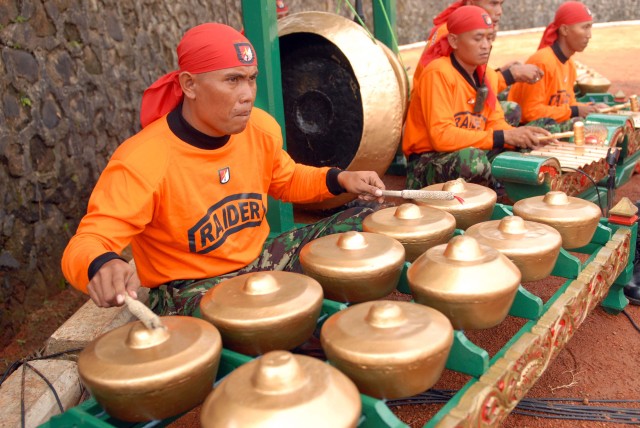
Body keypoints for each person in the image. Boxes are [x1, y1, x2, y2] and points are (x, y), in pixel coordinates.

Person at [61, 23, 386, 316]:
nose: (247, 95)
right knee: (241, 320)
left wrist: (341, 178)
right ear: (189, 85)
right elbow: (90, 239)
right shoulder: (143, 158)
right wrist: (101, 264)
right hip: (191, 288)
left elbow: (286, 179)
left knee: (365, 222)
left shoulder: (260, 128)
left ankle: (347, 323)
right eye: (232, 80)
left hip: (260, 262)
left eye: (251, 79)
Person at [402, 5, 549, 191]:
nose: (486, 45)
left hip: (470, 150)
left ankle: (503, 194)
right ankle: (492, 197)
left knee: (525, 151)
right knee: (472, 160)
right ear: (454, 41)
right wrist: (504, 136)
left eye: (490, 38)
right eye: (478, 38)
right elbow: (441, 136)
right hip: (428, 161)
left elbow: (495, 122)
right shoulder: (438, 72)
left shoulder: (486, 74)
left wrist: (522, 136)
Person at [412, 0, 543, 126]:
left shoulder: (464, 30)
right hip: (440, 115)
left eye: (501, 4)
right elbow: (457, 87)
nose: (499, 11)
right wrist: (511, 75)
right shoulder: (453, 33)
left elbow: (468, 79)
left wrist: (500, 72)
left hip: (457, 105)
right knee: (511, 110)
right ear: (470, 3)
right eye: (493, 3)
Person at [507, 1, 606, 129]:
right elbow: (530, 112)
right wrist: (574, 111)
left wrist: (591, 108)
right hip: (524, 130)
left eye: (590, 27)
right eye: (584, 27)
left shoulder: (569, 64)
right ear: (564, 29)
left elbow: (567, 105)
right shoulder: (542, 62)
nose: (589, 35)